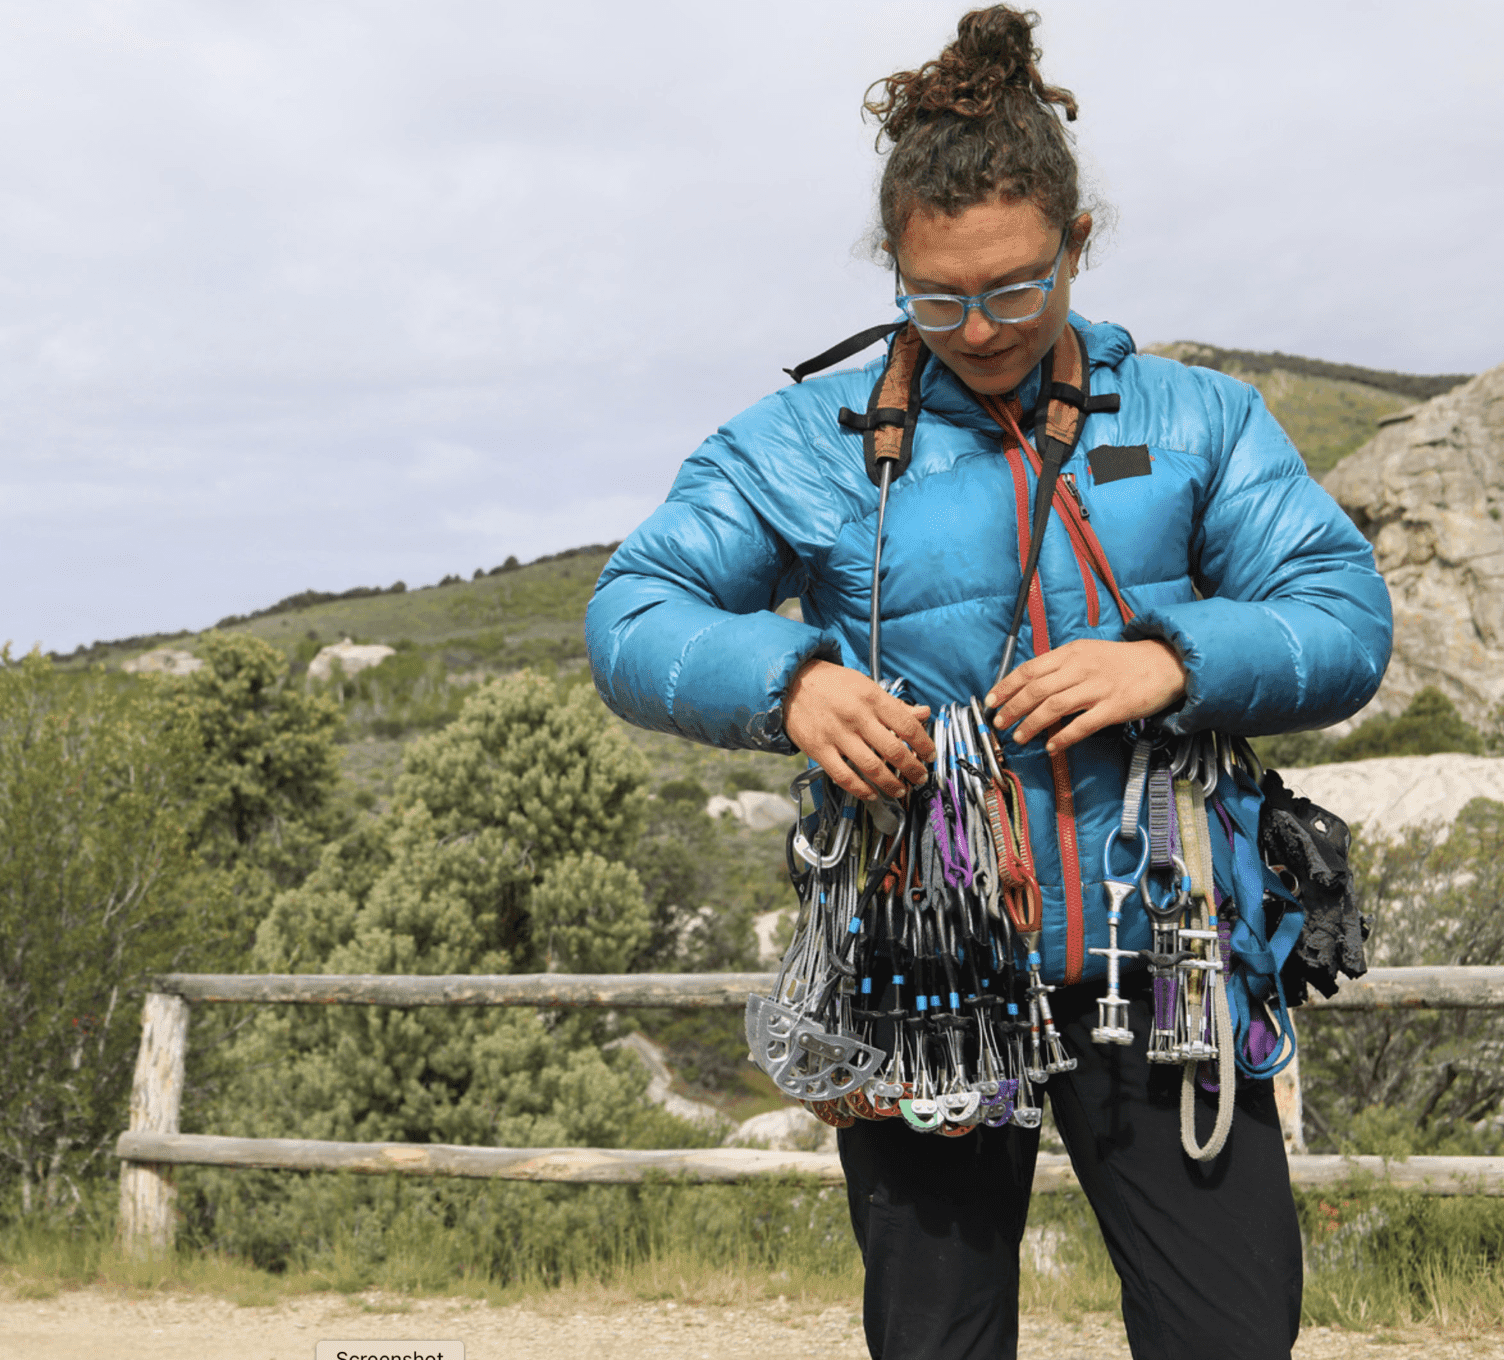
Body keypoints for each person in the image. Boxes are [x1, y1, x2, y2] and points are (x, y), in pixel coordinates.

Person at [584, 7, 1393, 1359]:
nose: (980, 329)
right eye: (937, 297)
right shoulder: (801, 445)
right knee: (937, 1343)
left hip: (1167, 965)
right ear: (891, 265)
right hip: (919, 972)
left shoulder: (1199, 422)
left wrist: (1169, 660)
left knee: (1231, 1337)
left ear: (1080, 244)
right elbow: (632, 613)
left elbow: (1344, 617)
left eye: (1017, 289)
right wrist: (791, 684)